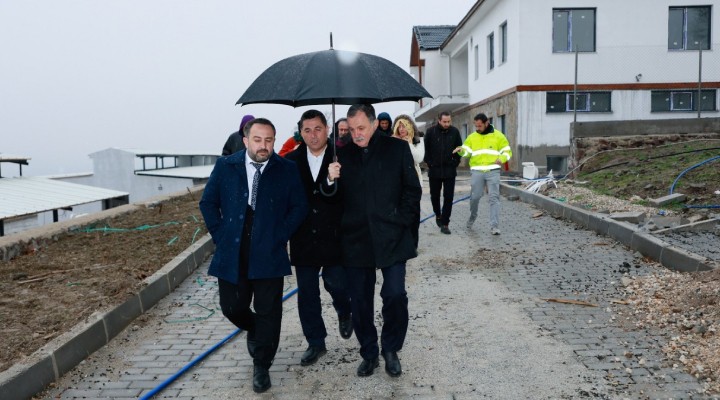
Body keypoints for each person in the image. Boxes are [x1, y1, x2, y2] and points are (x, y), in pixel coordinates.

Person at [199, 118, 308, 393]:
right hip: (233, 248)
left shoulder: (286, 169)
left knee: (269, 310)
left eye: (269, 140)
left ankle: (262, 365)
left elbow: (299, 206)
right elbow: (208, 202)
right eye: (258, 140)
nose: (263, 146)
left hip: (269, 250)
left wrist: (281, 234)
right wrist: (220, 235)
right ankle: (256, 329)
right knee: (231, 307)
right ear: (246, 140)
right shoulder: (226, 166)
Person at [324, 104, 421, 378]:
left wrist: (400, 219)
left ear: (375, 124)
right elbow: (330, 200)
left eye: (361, 128)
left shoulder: (397, 149)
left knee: (395, 295)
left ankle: (390, 349)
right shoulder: (340, 154)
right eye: (351, 129)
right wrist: (331, 180)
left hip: (392, 236)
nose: (356, 134)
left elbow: (412, 190)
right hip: (355, 239)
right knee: (360, 302)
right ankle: (368, 352)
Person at [285, 110, 353, 367]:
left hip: (334, 234)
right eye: (307, 130)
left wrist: (335, 179)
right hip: (303, 237)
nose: (313, 135)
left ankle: (344, 310)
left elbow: (350, 195)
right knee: (307, 293)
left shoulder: (342, 157)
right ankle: (315, 342)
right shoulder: (290, 161)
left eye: (317, 129)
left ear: (327, 130)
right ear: (301, 133)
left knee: (337, 282)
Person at [453, 113, 512, 235]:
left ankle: (494, 226)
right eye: (476, 126)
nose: (477, 128)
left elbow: (507, 151)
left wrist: (502, 158)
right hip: (477, 171)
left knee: (494, 198)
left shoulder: (498, 136)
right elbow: (467, 152)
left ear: (486, 123)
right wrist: (461, 151)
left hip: (493, 171)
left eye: (479, 126)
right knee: (475, 197)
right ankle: (473, 216)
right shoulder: (472, 137)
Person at [423, 111, 462, 235]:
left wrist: (455, 162)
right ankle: (438, 215)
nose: (446, 124)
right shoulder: (431, 132)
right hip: (434, 171)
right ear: (439, 120)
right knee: (435, 196)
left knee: (449, 197)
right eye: (444, 121)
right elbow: (425, 149)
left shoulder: (455, 132)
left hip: (450, 171)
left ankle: (445, 223)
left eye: (448, 121)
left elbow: (460, 149)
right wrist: (430, 163)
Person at [391, 114, 425, 188]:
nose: (401, 129)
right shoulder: (393, 140)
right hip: (398, 180)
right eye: (399, 127)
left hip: (414, 178)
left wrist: (409, 144)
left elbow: (418, 158)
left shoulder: (417, 139)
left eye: (404, 126)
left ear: (409, 126)